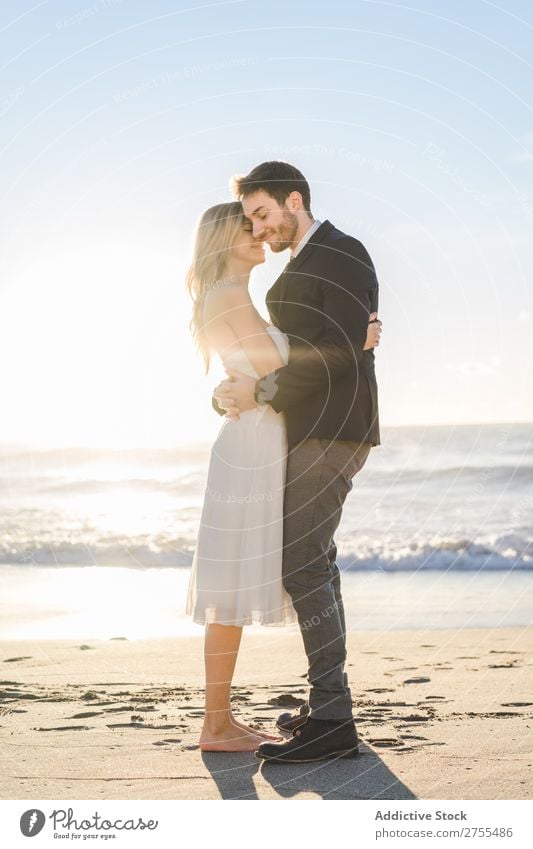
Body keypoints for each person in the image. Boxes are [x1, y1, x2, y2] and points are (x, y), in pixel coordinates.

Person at [186, 195, 381, 754]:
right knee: (232, 580)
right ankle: (217, 723)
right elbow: (275, 368)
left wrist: (235, 390)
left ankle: (223, 719)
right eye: (247, 227)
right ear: (222, 241)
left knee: (248, 575)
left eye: (260, 221)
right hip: (251, 450)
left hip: (263, 441)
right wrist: (352, 340)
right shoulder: (227, 296)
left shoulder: (236, 296)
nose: (259, 234)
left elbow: (249, 372)